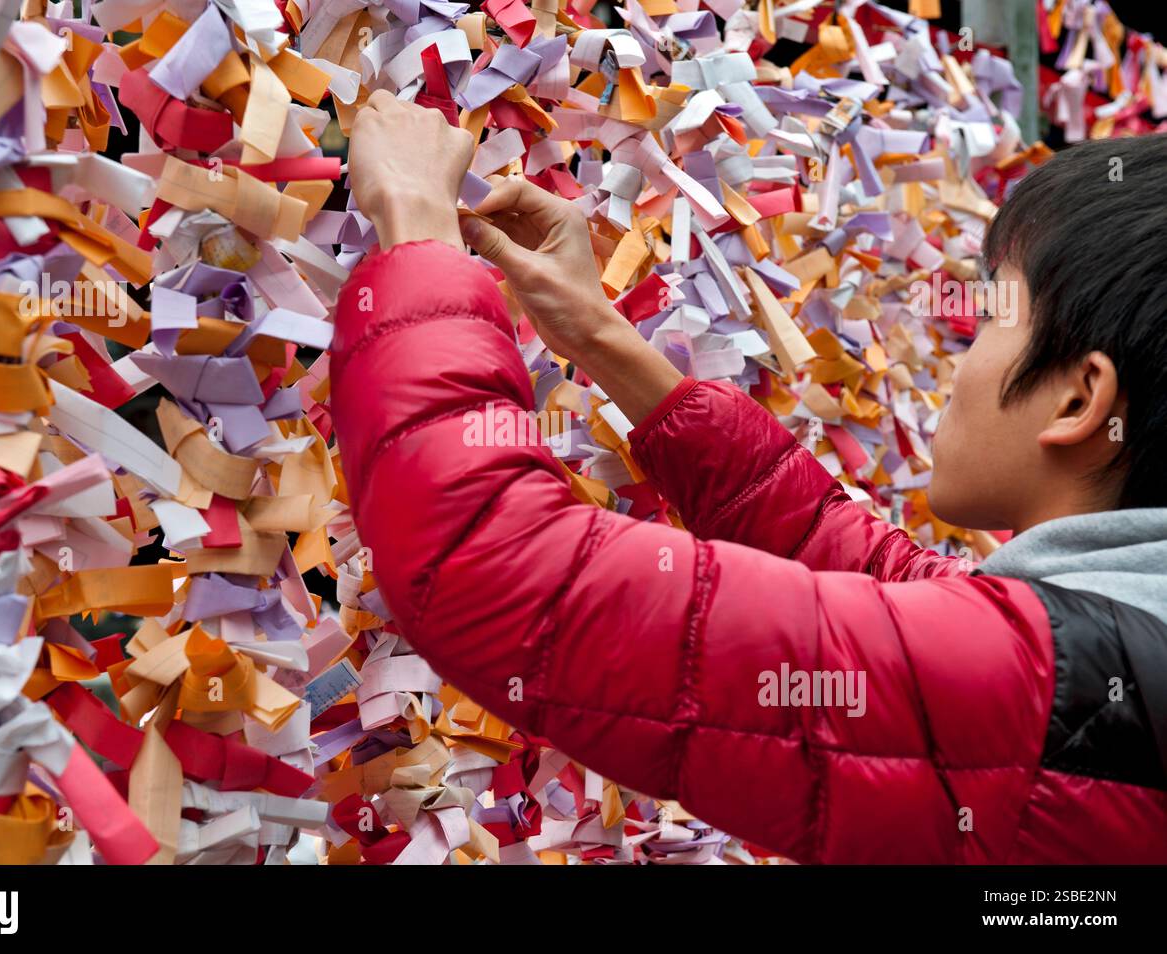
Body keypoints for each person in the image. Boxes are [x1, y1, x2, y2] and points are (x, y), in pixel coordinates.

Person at [332, 90, 1167, 863]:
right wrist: (599, 335)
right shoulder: (1120, 643)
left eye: (989, 318)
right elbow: (884, 587)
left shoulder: (1042, 688)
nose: (958, 356)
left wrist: (415, 221)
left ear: (1081, 398)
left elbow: (497, 568)